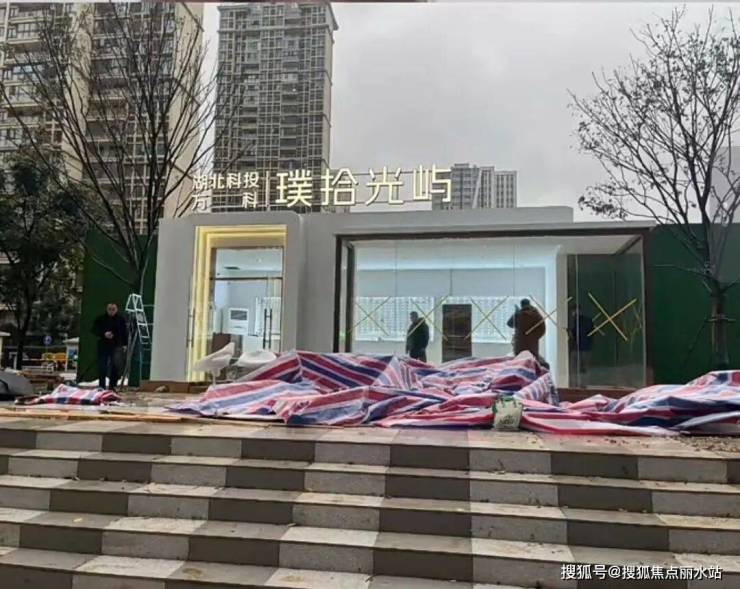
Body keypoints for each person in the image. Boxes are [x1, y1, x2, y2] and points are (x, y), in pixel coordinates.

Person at [92, 302, 128, 390]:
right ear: (107, 309)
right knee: (102, 366)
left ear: (117, 310)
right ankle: (102, 386)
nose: (111, 311)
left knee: (115, 367)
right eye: (110, 309)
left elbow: (124, 333)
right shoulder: (101, 319)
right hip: (103, 345)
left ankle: (112, 386)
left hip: (116, 346)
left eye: (113, 309)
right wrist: (104, 334)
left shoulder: (121, 320)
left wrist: (125, 344)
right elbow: (94, 329)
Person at [507, 298, 548, 368]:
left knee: (520, 367)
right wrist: (534, 337)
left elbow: (509, 324)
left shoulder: (519, 315)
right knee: (532, 365)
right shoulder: (536, 315)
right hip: (533, 346)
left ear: (521, 305)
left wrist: (515, 313)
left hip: (520, 346)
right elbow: (542, 330)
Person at [569, 306, 594, 386]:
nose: (572, 313)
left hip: (577, 348)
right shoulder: (588, 320)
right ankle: (584, 385)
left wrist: (570, 333)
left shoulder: (575, 321)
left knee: (575, 369)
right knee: (584, 369)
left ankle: (576, 385)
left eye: (573, 311)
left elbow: (575, 334)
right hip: (585, 347)